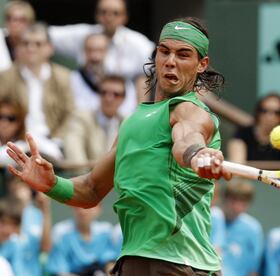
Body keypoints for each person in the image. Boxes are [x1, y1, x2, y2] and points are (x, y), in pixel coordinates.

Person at [6, 17, 231, 275]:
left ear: (202, 64)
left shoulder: (190, 111)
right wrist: (51, 184)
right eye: (164, 51)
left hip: (179, 264)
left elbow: (186, 141)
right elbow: (91, 189)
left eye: (183, 55)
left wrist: (197, 155)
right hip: (133, 260)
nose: (170, 61)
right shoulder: (133, 121)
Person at [49, 0, 154, 102]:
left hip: (122, 105)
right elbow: (47, 35)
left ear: (125, 17)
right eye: (103, 12)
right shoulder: (83, 35)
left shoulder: (139, 44)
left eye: (115, 13)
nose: (109, 17)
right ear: (96, 14)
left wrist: (140, 113)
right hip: (86, 103)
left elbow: (144, 77)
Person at [0, 22, 74, 162]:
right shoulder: (5, 77)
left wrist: (58, 140)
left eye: (38, 44)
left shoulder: (62, 77)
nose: (31, 48)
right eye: (25, 43)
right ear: (18, 48)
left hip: (50, 143)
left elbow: (70, 114)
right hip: (15, 143)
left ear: (49, 48)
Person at [64, 75, 126, 167]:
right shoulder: (81, 118)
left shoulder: (126, 124)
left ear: (123, 99)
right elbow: (75, 160)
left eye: (116, 94)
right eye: (104, 93)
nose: (108, 98)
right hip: (84, 178)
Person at [70, 33, 137, 117]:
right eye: (90, 50)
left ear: (107, 52)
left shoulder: (121, 79)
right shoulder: (73, 79)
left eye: (99, 50)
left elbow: (129, 109)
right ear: (84, 52)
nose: (94, 56)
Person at [47, 205, 114, 275]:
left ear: (98, 209)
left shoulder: (106, 231)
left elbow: (110, 261)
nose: (82, 211)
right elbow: (60, 272)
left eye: (88, 206)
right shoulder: (60, 232)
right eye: (78, 206)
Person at [227, 93, 280, 164]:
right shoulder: (243, 134)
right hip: (249, 175)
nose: (270, 116)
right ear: (258, 113)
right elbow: (237, 167)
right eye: (264, 111)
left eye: (277, 112)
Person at [221, 181, 263, 276]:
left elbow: (254, 269)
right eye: (233, 200)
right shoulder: (212, 219)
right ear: (225, 199)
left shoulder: (253, 228)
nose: (237, 207)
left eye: (243, 202)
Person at [0, 1, 35, 71]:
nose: (15, 24)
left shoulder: (35, 44)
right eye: (11, 19)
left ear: (30, 23)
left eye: (21, 20)